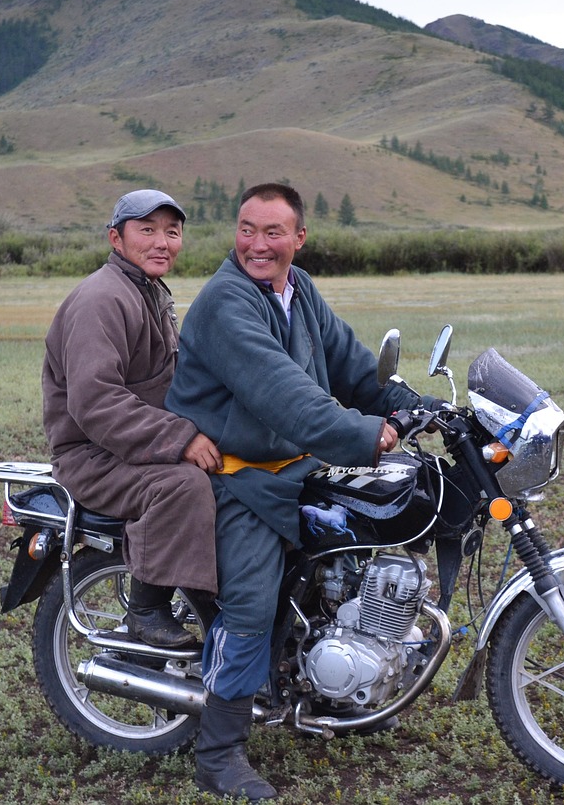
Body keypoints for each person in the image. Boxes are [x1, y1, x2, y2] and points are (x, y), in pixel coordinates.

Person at [166, 183, 431, 800]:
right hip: (237, 474)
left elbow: (352, 368)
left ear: (299, 238)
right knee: (252, 603)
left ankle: (333, 679)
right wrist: (368, 435)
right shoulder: (227, 303)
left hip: (290, 466)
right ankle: (220, 753)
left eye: (273, 232)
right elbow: (289, 397)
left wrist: (412, 405)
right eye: (247, 230)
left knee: (349, 549)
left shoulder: (298, 289)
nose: (258, 244)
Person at [42, 189, 221, 650]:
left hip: (131, 447)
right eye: (147, 230)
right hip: (93, 455)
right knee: (182, 485)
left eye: (172, 231)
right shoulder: (102, 298)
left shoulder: (145, 290)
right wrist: (181, 438)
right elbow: (96, 401)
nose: (162, 242)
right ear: (116, 238)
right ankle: (146, 610)